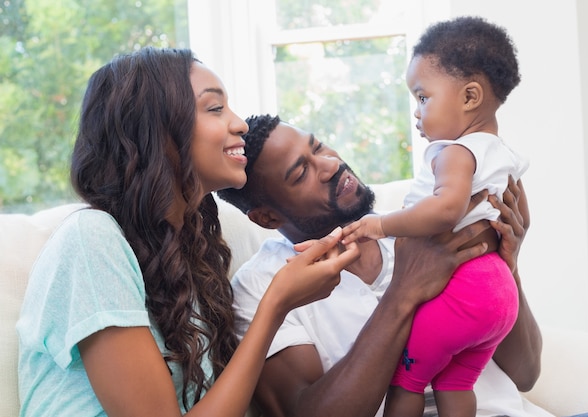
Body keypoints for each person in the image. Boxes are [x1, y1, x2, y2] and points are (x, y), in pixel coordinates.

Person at [15, 47, 362, 417]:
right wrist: (276, 304)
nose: (240, 123)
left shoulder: (188, 247)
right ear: (156, 131)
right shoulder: (91, 240)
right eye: (215, 109)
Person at [217, 114, 543, 417]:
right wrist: (404, 291)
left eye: (318, 147)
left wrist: (507, 266)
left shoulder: (423, 221)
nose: (330, 164)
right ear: (267, 217)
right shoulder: (263, 285)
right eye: (302, 172)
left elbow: (526, 373)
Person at [340, 16, 527, 417]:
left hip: (464, 293)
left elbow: (446, 209)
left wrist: (381, 224)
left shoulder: (454, 152)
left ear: (470, 96)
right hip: (500, 293)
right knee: (456, 382)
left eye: (423, 97)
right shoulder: (500, 153)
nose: (417, 113)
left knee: (406, 380)